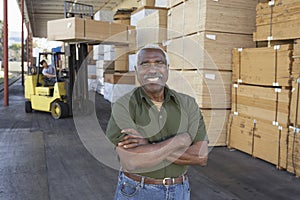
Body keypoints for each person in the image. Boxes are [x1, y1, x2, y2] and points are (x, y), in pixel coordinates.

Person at [106, 44, 208, 200]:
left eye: (158, 63)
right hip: (137, 192)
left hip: (180, 191)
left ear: (167, 68)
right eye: (145, 64)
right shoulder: (124, 105)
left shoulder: (188, 104)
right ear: (136, 69)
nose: (152, 70)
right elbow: (132, 160)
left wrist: (148, 146)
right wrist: (180, 140)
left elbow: (201, 157)